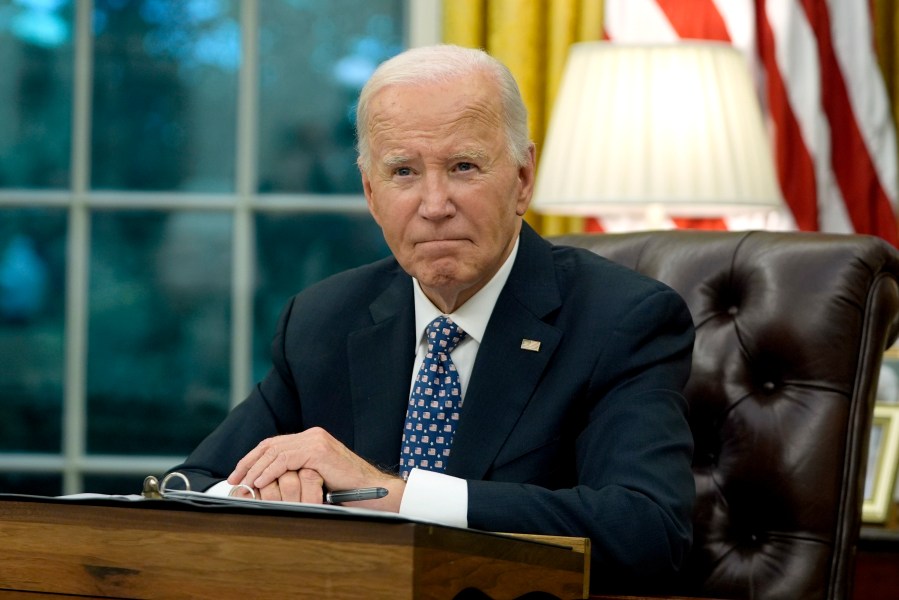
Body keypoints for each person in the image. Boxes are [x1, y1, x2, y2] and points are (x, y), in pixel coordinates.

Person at [169, 44, 696, 594]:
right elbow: (192, 486)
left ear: (522, 178)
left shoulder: (621, 320)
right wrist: (275, 491)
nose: (435, 203)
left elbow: (648, 532)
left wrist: (391, 496)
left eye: (463, 166)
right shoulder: (323, 319)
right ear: (372, 195)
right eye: (403, 172)